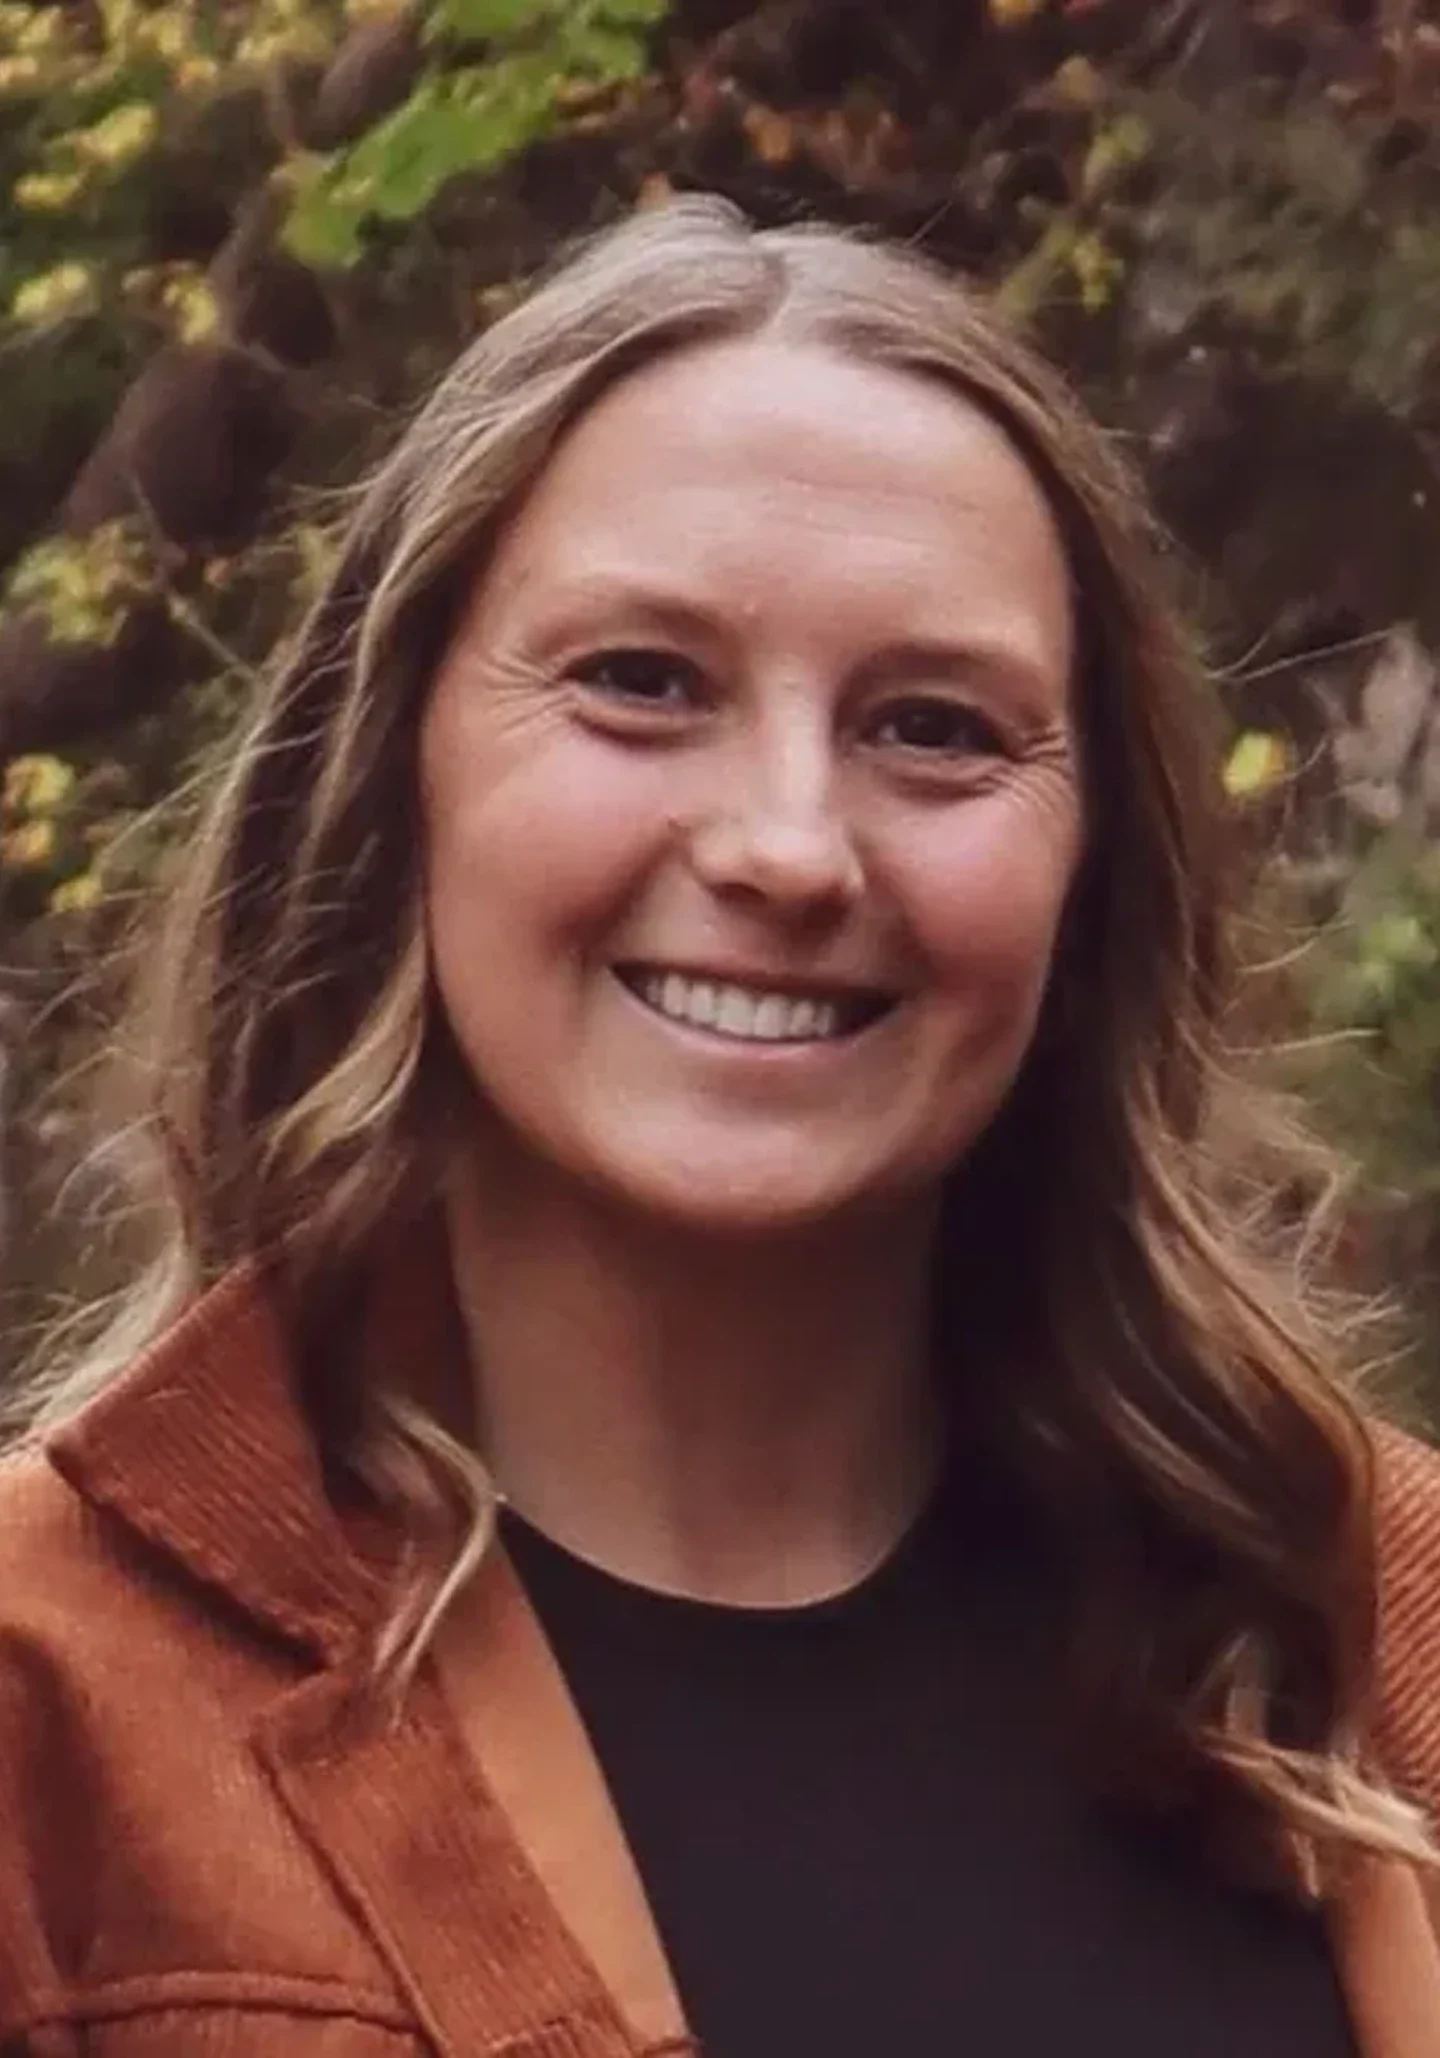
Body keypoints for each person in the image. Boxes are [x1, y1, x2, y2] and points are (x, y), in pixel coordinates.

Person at [1, 195, 1438, 2058]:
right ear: (392, 777)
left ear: (1094, 873)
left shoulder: (1371, 1632)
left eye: (936, 726)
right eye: (641, 681)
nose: (788, 847)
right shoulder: (58, 1702)